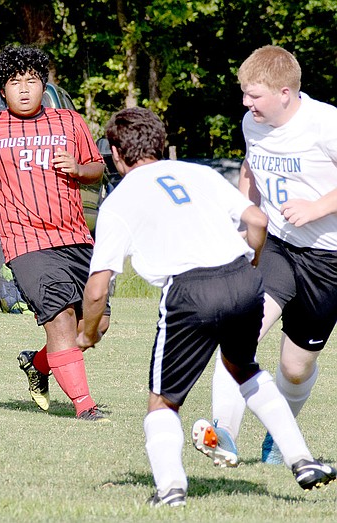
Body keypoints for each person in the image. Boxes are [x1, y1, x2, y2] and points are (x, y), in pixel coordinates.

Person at [78, 106, 336, 507]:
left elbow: (96, 290)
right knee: (245, 368)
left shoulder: (120, 200)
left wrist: (87, 333)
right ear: (161, 144)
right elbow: (258, 220)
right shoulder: (199, 173)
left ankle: (171, 490)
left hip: (188, 291)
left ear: (116, 153)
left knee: (162, 401)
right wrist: (252, 263)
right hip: (242, 278)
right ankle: (302, 461)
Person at [0, 44, 111, 421]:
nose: (23, 89)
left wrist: (79, 169)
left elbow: (97, 166)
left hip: (76, 237)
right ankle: (85, 407)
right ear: (2, 90)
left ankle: (38, 364)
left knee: (97, 325)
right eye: (14, 82)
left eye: (32, 81)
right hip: (26, 241)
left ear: (43, 86)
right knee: (61, 318)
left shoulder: (69, 121)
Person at [202, 45, 337, 467]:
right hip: (277, 249)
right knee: (238, 331)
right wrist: (247, 219)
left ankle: (279, 438)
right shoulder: (252, 122)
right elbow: (250, 167)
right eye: (245, 93)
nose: (246, 103)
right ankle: (222, 433)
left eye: (254, 95)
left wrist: (317, 208)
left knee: (295, 368)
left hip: (328, 262)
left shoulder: (326, 124)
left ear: (284, 92)